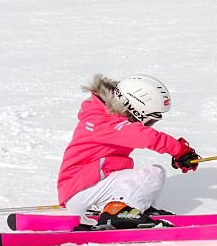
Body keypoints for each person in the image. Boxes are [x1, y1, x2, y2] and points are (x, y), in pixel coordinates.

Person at [57, 75, 200, 229]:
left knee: (134, 177)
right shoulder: (107, 122)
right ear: (135, 109)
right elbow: (147, 137)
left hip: (82, 189)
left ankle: (132, 208)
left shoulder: (101, 116)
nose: (148, 124)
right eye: (150, 119)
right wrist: (180, 151)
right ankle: (119, 212)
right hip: (82, 189)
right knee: (153, 173)